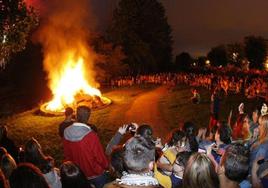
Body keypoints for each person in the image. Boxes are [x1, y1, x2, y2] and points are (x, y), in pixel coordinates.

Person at [63, 106, 109, 188]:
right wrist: (107, 166)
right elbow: (100, 157)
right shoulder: (91, 135)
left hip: (79, 174)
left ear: (76, 115)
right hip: (95, 173)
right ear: (88, 117)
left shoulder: (66, 132)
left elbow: (67, 155)